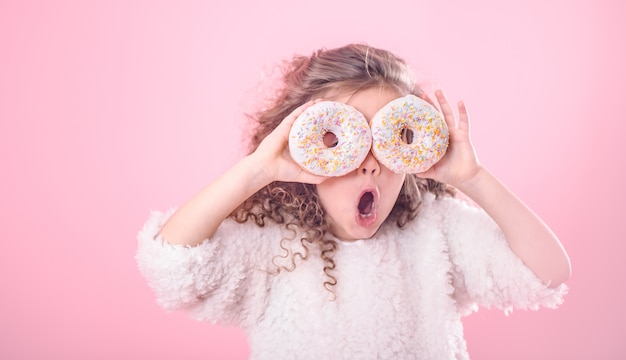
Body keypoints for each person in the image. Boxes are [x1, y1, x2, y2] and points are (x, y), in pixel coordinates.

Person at [136, 43, 570, 359]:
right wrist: (257, 169)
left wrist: (473, 178)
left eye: (390, 139)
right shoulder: (274, 245)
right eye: (342, 140)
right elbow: (173, 263)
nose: (368, 164)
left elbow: (546, 274)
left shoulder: (436, 230)